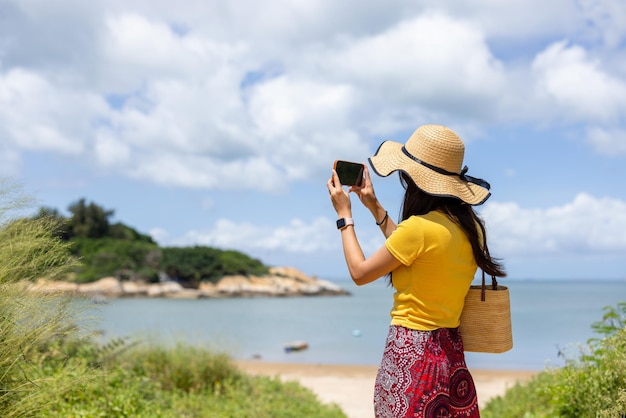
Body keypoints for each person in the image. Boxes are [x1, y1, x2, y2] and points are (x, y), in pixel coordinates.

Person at [327, 124, 506, 417]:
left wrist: (344, 216)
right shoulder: (471, 227)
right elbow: (416, 254)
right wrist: (374, 207)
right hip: (450, 352)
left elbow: (360, 273)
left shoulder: (418, 229)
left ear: (413, 179)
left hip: (411, 351)